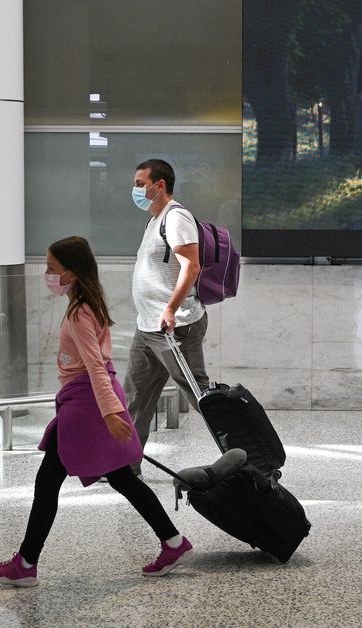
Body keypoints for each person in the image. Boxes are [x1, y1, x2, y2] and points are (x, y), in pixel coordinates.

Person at [0, 236, 194, 587]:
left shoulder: (80, 311)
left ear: (72, 273)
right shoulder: (85, 302)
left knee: (49, 481)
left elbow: (95, 365)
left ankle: (25, 565)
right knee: (122, 477)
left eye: (52, 268)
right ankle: (174, 542)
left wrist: (111, 412)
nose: (47, 274)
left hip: (87, 403)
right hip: (87, 399)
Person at [124, 159, 210, 473]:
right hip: (147, 327)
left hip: (176, 326)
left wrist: (171, 308)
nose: (134, 189)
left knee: (202, 398)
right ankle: (126, 464)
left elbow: (192, 266)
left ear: (159, 185)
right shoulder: (155, 219)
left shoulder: (176, 217)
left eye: (139, 183)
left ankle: (250, 457)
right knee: (136, 397)